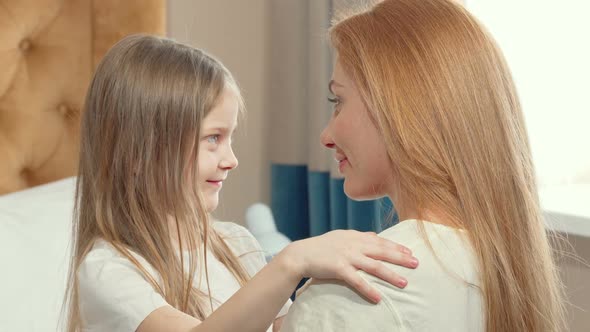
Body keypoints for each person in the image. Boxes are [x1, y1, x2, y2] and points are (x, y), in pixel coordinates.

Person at [62, 34, 419, 332]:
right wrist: (292, 260)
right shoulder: (109, 269)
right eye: (213, 138)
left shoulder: (237, 244)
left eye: (229, 138)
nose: (231, 160)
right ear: (139, 152)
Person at [281, 0, 566, 331]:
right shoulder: (502, 265)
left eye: (338, 101)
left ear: (399, 110)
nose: (326, 136)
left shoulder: (354, 293)